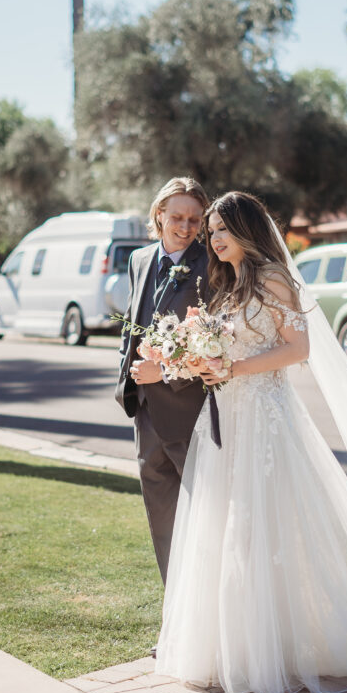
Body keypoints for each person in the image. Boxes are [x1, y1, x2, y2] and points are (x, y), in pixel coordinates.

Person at [156, 192, 347, 693]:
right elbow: (228, 348)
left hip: (267, 417)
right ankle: (233, 643)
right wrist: (198, 362)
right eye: (211, 232)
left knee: (273, 520)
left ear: (245, 229)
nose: (214, 239)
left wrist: (231, 367)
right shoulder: (229, 282)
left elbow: (298, 349)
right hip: (229, 416)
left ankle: (286, 642)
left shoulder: (272, 277)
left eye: (222, 229)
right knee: (229, 524)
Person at [115, 177, 209, 585]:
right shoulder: (139, 260)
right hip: (145, 413)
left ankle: (208, 616)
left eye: (194, 219)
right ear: (159, 215)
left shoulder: (215, 262)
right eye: (177, 217)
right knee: (162, 522)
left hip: (192, 414)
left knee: (205, 518)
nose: (185, 227)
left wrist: (166, 372)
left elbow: (218, 344)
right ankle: (175, 619)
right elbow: (131, 325)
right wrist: (127, 379)